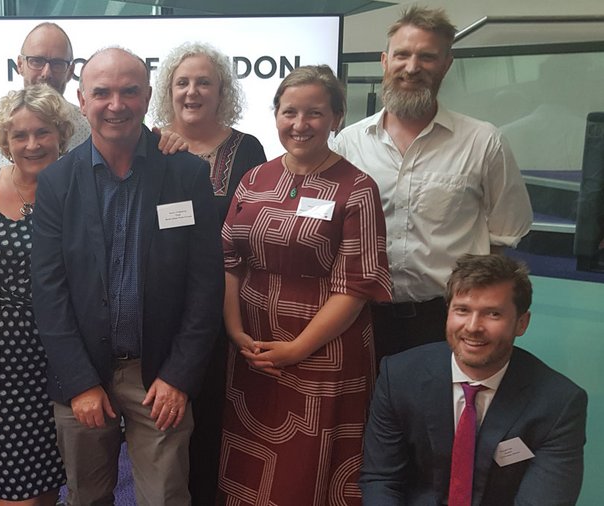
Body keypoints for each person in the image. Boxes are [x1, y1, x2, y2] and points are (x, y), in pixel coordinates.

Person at [31, 47, 224, 506]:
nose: (115, 104)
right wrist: (79, 382)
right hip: (83, 376)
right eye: (102, 92)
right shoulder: (57, 182)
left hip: (158, 374)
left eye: (129, 91)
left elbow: (205, 285)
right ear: (81, 99)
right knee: (87, 497)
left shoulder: (187, 175)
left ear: (147, 97)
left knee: (165, 497)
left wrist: (179, 376)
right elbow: (49, 292)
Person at [218, 65, 392, 506]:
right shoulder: (254, 178)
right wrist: (236, 332)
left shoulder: (357, 188)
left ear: (337, 117)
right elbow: (229, 260)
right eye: (289, 112)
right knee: (250, 466)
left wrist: (297, 349)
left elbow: (355, 286)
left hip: (324, 354)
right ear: (275, 114)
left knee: (308, 470)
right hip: (252, 346)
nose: (300, 125)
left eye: (314, 113)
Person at [333, 6, 533, 366]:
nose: (412, 67)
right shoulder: (348, 143)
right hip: (358, 317)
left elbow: (504, 236)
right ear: (385, 60)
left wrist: (475, 313)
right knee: (366, 419)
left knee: (436, 417)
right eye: (403, 55)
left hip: (442, 321)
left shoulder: (483, 142)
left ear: (446, 64)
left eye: (427, 56)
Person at [361, 254, 587, 505]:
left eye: (492, 314)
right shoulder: (400, 376)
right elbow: (382, 481)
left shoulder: (558, 404)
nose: (472, 326)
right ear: (448, 313)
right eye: (462, 310)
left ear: (521, 323)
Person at [152, 41, 266, 506]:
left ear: (222, 91)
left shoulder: (246, 148)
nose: (192, 92)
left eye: (204, 83)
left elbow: (255, 225)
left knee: (215, 412)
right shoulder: (151, 144)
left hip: (224, 303)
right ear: (168, 90)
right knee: (161, 418)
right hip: (161, 302)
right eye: (182, 82)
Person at [0, 85, 73, 505]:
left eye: (42, 133)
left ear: (60, 135)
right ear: (4, 142)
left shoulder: (76, 187)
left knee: (51, 471)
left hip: (61, 350)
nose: (32, 144)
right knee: (13, 480)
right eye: (19, 136)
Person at [0, 22, 91, 167]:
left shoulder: (90, 130)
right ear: (20, 65)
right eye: (37, 61)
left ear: (71, 71)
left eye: (57, 63)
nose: (46, 73)